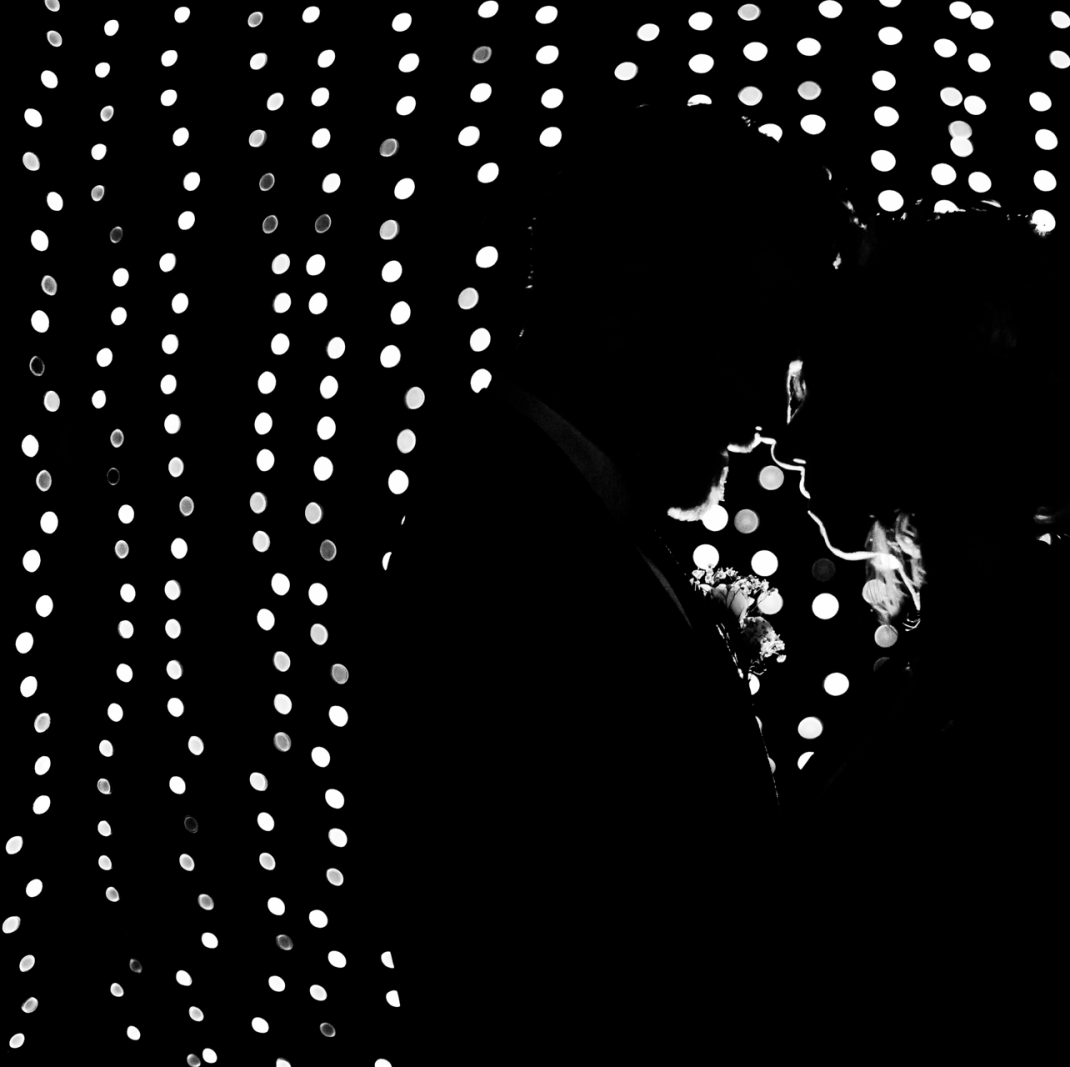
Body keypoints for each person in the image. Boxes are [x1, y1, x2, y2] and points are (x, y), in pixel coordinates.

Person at [363, 103, 859, 1049]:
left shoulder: (563, 520)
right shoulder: (507, 558)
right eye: (753, 337)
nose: (768, 412)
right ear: (627, 303)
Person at [772, 202, 1070, 1051]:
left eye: (824, 387)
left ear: (919, 410)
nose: (790, 437)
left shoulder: (1008, 705)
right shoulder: (976, 663)